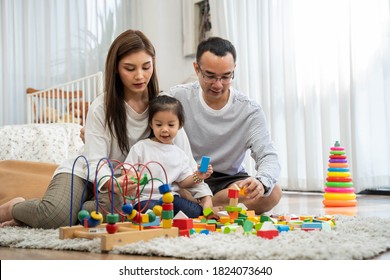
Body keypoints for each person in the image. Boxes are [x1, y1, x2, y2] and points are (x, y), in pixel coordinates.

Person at [0, 29, 208, 228]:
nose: (139, 76)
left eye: (146, 67)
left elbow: (186, 162)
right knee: (56, 217)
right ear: (116, 68)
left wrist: (206, 197)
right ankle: (13, 207)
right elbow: (96, 161)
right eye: (130, 68)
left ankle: (75, 209)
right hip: (85, 172)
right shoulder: (102, 106)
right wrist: (111, 184)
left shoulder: (164, 107)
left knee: (122, 217)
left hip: (124, 190)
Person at [168, 37, 282, 214]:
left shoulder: (249, 110)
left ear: (233, 69)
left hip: (229, 180)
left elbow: (268, 154)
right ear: (196, 69)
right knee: (171, 188)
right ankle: (205, 203)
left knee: (273, 192)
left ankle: (207, 203)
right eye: (210, 76)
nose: (218, 85)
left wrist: (261, 181)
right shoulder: (177, 98)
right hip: (189, 176)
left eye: (226, 76)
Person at [124, 95, 213, 218]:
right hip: (146, 199)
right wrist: (133, 176)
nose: (165, 130)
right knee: (151, 213)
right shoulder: (141, 147)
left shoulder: (180, 154)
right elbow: (128, 170)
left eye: (171, 125)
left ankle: (166, 216)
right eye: (159, 125)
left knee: (195, 212)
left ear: (180, 125)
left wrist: (199, 175)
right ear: (151, 124)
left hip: (170, 198)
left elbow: (183, 182)